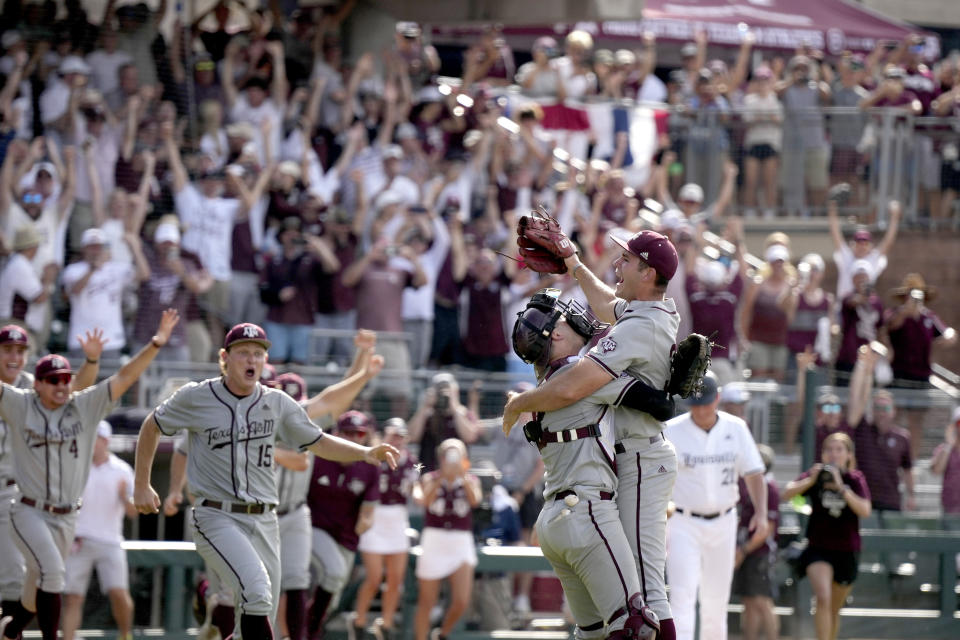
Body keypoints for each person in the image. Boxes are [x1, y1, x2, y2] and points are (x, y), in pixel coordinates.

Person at [132, 323, 399, 640]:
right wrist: (142, 484)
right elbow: (153, 425)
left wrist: (365, 452)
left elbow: (318, 439)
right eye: (243, 352)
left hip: (266, 520)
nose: (251, 360)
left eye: (258, 353)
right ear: (225, 358)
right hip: (217, 515)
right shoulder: (197, 397)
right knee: (256, 592)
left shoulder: (277, 403)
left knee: (257, 613)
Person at [503, 229, 683, 638]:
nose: (617, 264)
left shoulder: (639, 325)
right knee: (630, 603)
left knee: (646, 597)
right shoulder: (645, 313)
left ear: (648, 271)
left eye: (627, 259)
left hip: (639, 457)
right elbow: (606, 308)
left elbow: (571, 386)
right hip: (626, 461)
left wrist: (518, 402)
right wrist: (573, 264)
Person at [0, 310, 180, 640]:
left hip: (68, 516)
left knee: (32, 592)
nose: (61, 385)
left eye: (65, 379)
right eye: (52, 380)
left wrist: (156, 343)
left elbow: (126, 376)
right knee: (53, 575)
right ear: (36, 383)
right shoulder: (19, 403)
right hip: (27, 510)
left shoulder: (84, 404)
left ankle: (10, 630)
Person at [664, 374, 769, 640]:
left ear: (718, 399)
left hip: (724, 520)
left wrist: (761, 514)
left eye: (706, 403)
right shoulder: (671, 429)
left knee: (716, 601)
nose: (700, 409)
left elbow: (754, 473)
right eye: (695, 403)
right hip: (682, 521)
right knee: (682, 597)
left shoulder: (736, 428)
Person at [782, 433, 871, 640]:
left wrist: (842, 487)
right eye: (829, 449)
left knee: (833, 608)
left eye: (839, 450)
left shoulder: (855, 479)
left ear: (848, 455)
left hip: (847, 550)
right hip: (819, 548)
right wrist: (811, 480)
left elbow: (865, 510)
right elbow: (786, 494)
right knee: (822, 598)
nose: (833, 454)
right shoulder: (816, 475)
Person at [306, 411, 382, 639]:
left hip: (346, 537)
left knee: (332, 599)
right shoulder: (317, 457)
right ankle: (304, 632)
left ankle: (307, 629)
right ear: (336, 433)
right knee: (315, 580)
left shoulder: (370, 466)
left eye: (359, 433)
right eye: (348, 432)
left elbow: (368, 511)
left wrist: (365, 524)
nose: (353, 438)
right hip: (312, 530)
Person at [61, 422, 137, 640]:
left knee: (119, 593)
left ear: (106, 441)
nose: (91, 443)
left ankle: (125, 635)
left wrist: (124, 497)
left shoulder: (123, 470)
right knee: (73, 597)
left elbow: (133, 512)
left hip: (110, 541)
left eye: (96, 438)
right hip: (78, 541)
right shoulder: (75, 467)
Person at [353, 418, 419, 640]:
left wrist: (421, 493)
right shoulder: (374, 457)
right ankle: (359, 621)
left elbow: (415, 489)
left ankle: (386, 624)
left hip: (398, 518)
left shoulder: (411, 462)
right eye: (393, 435)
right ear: (384, 435)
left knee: (395, 578)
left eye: (401, 436)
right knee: (374, 577)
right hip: (375, 515)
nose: (397, 440)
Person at [412, 438, 481, 640]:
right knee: (427, 601)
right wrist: (442, 478)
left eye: (457, 455)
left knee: (461, 600)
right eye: (448, 455)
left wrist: (462, 475)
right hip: (434, 539)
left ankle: (443, 633)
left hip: (460, 541)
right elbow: (425, 501)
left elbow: (475, 500)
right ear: (440, 458)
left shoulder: (470, 479)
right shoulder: (430, 478)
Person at [846, 348, 916, 514]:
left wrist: (912, 495)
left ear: (893, 411)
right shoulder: (863, 430)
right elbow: (856, 398)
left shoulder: (902, 437)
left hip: (891, 502)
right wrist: (865, 369)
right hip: (863, 500)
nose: (881, 411)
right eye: (877, 407)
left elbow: (907, 470)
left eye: (885, 407)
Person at [732, 444, 780, 640]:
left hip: (759, 552)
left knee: (762, 601)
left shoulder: (769, 486)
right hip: (744, 550)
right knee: (748, 601)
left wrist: (743, 551)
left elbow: (767, 528)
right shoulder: (744, 484)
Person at [407, 373, 480, 472]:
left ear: (456, 391)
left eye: (447, 389)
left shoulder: (464, 413)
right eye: (440, 389)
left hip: (458, 475)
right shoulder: (427, 414)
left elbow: (470, 437)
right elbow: (411, 437)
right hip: (428, 474)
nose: (443, 393)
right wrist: (424, 407)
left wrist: (454, 407)